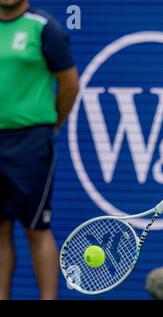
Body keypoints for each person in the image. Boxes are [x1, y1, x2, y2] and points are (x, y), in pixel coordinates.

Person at [0, 0, 79, 299]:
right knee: (0, 229)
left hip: (31, 143)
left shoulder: (45, 27)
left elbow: (70, 84)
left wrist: (51, 125)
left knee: (36, 229)